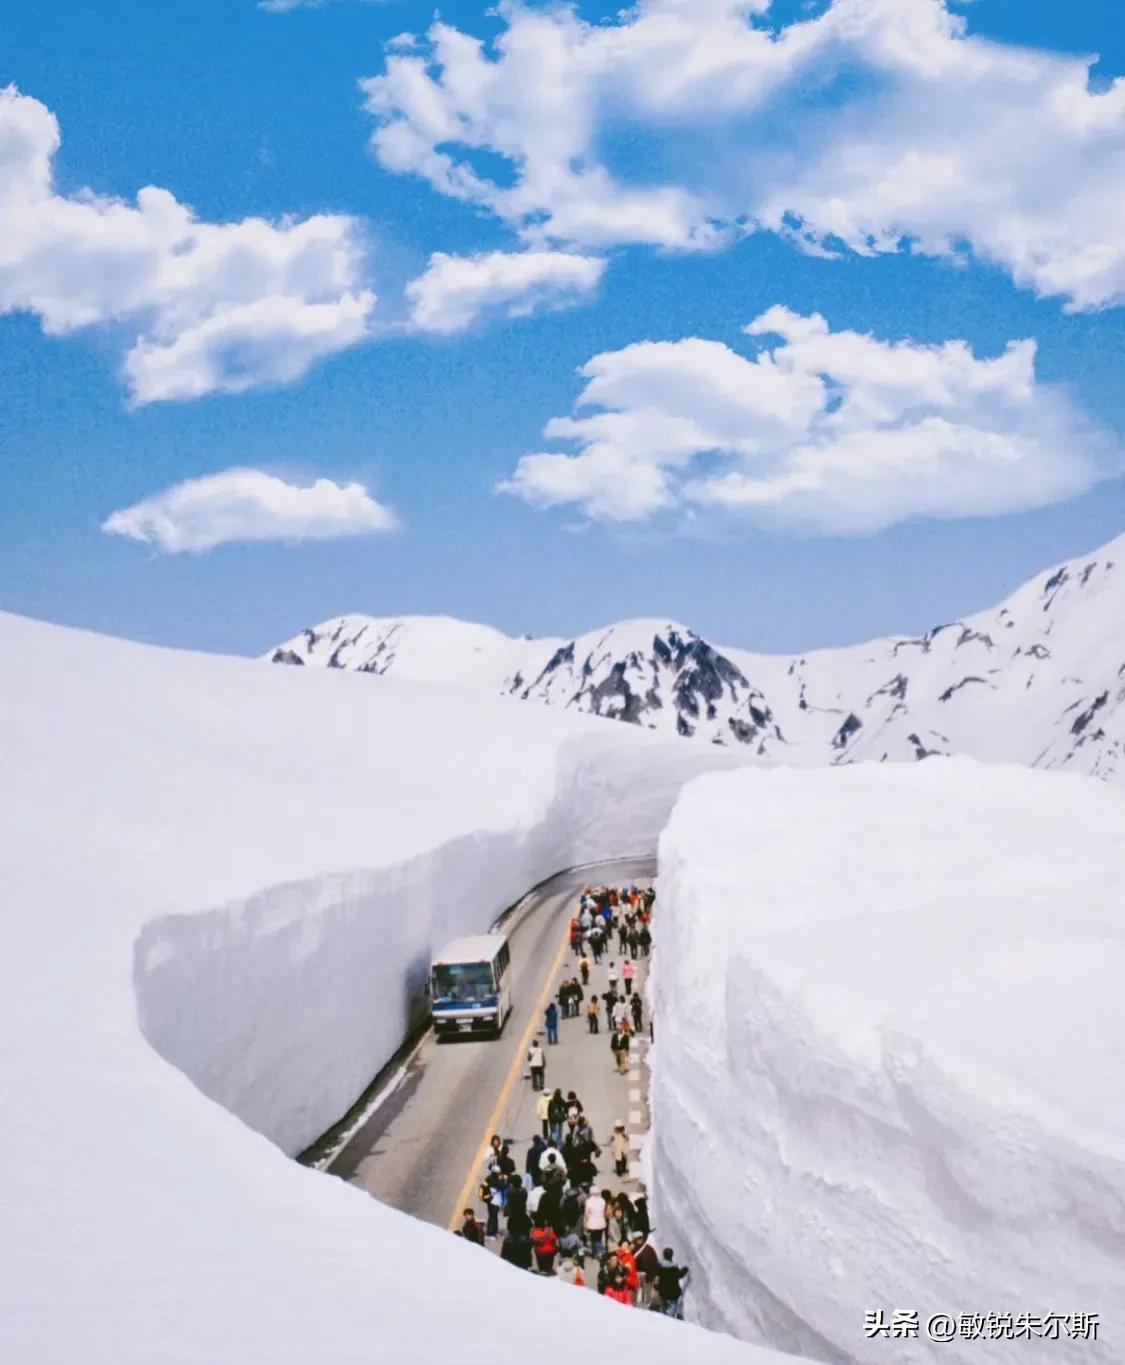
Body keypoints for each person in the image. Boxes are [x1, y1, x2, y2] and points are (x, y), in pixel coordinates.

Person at [656, 1248, 690, 1318]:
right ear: (671, 1256)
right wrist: (685, 1269)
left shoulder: (659, 1266)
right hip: (673, 1293)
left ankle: (662, 1320)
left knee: (663, 1310)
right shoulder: (674, 1268)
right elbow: (680, 1275)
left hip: (663, 1291)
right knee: (672, 1310)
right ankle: (670, 1320)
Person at [583, 1187, 607, 1257]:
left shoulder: (588, 1201)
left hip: (592, 1222)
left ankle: (594, 1252)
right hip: (601, 1222)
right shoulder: (602, 1201)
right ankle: (600, 1252)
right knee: (599, 1238)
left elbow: (586, 1213)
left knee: (593, 1238)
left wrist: (585, 1222)